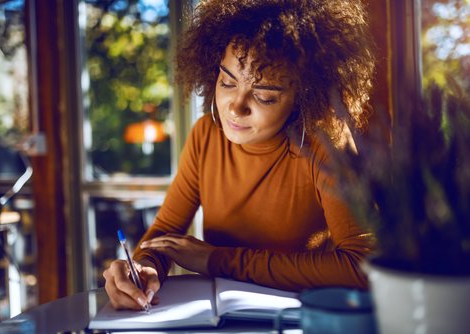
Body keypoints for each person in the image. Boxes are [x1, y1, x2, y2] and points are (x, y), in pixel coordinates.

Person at [103, 0, 376, 311]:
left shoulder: (326, 144)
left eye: (264, 96)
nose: (235, 106)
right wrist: (143, 267)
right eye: (227, 82)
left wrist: (218, 260)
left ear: (303, 99)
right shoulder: (206, 134)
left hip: (307, 318)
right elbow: (166, 233)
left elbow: (362, 264)